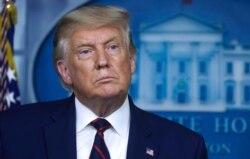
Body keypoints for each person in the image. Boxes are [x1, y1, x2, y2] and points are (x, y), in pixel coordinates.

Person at [0, 5, 208, 159]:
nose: (102, 61)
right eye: (86, 51)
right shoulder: (12, 132)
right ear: (65, 71)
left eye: (113, 47)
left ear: (131, 61)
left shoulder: (185, 148)